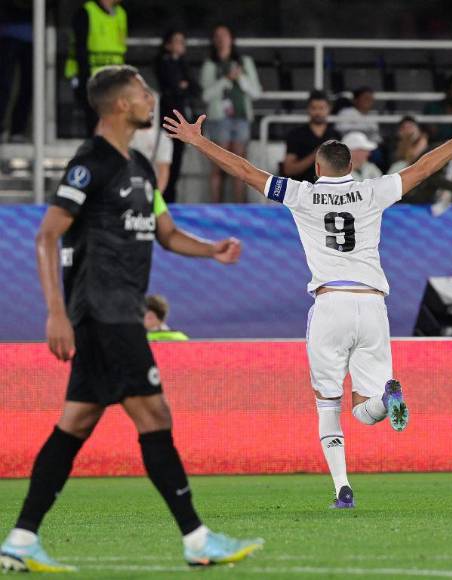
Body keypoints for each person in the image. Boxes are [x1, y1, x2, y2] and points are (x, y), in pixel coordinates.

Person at [164, 102, 452, 509]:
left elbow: (246, 172)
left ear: (318, 170)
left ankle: (342, 488)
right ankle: (385, 399)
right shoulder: (373, 191)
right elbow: (425, 167)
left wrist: (199, 141)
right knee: (364, 409)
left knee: (329, 404)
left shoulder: (302, 194)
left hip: (330, 302)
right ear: (352, 168)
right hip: (372, 304)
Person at [0, 66, 261, 573]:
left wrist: (213, 251)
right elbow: (46, 236)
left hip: (114, 313)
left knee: (75, 424)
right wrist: (56, 312)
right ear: (121, 105)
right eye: (142, 94)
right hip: (103, 313)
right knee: (155, 415)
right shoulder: (90, 164)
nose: (150, 100)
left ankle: (21, 539)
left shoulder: (140, 167)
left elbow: (165, 234)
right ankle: (197, 539)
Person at [200, 24, 261, 203]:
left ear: (231, 38)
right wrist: (225, 80)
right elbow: (206, 95)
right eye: (217, 36)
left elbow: (256, 92)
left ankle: (239, 209)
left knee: (240, 165)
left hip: (241, 119)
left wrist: (240, 77)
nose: (221, 39)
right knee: (218, 165)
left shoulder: (245, 62)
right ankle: (216, 208)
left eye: (224, 35)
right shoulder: (210, 64)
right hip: (219, 119)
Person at [64, 0, 128, 136]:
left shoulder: (121, 14)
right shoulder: (87, 12)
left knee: (113, 123)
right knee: (95, 123)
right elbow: (80, 48)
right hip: (92, 77)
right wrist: (84, 77)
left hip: (114, 79)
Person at [155, 29, 199, 203]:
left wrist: (184, 86)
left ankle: (171, 201)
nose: (181, 45)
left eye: (183, 41)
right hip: (167, 120)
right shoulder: (162, 62)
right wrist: (182, 86)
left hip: (182, 121)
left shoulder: (183, 64)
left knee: (177, 163)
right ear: (168, 44)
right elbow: (172, 87)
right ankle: (163, 200)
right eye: (177, 41)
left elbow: (195, 88)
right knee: (165, 162)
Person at [283, 90, 341, 183]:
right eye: (314, 108)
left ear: (329, 109)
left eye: (321, 108)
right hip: (301, 189)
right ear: (308, 109)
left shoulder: (335, 135)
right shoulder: (296, 134)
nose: (317, 112)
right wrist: (316, 154)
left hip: (328, 191)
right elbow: (288, 169)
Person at [129, 89, 174, 192]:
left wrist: (156, 196)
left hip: (149, 190)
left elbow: (163, 171)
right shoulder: (125, 133)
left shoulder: (161, 137)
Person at [0, 0, 32, 142]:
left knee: (28, 86)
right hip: (8, 34)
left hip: (33, 35)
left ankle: (17, 130)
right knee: (4, 85)